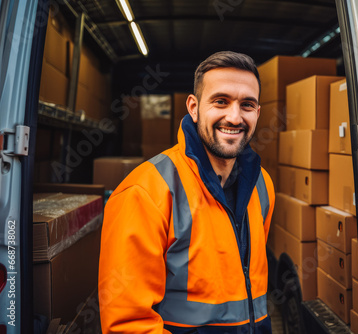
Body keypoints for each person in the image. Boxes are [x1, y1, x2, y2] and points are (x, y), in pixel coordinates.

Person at [98, 51, 275, 334]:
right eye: (221, 101)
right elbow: (128, 325)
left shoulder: (262, 184)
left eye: (247, 105)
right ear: (193, 107)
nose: (234, 116)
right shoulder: (145, 190)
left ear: (257, 113)